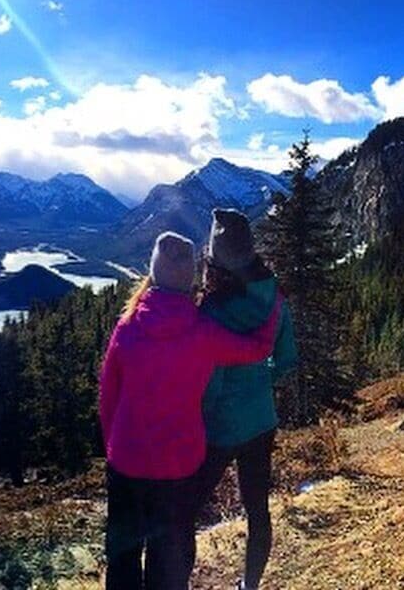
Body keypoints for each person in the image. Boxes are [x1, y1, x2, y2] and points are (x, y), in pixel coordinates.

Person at [99, 231, 282, 590]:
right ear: (191, 280)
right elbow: (259, 349)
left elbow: (108, 399)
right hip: (179, 466)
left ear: (153, 273)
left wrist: (115, 449)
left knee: (122, 558)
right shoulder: (203, 332)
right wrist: (273, 299)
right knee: (170, 561)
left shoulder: (127, 327)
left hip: (126, 462)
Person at [189, 209, 297, 590]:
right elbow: (287, 359)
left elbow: (211, 380)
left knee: (186, 510)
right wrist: (259, 383)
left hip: (219, 427)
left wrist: (200, 415)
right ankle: (249, 586)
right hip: (261, 419)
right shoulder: (275, 295)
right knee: (257, 511)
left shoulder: (213, 308)